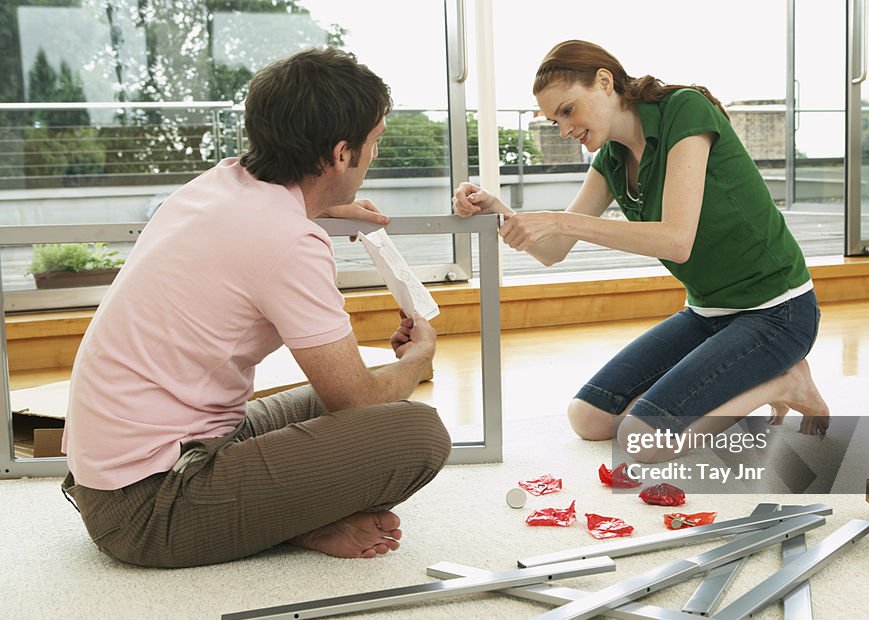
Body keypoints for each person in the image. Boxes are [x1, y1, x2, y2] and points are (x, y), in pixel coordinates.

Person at [60, 47, 451, 568]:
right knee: (417, 432)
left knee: (340, 398)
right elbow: (355, 401)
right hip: (149, 510)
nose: (373, 157)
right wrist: (417, 362)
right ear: (339, 154)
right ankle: (289, 521)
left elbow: (265, 225)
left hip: (128, 473)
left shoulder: (220, 183)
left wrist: (326, 203)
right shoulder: (288, 240)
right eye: (373, 143)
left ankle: (285, 515)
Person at [453, 40, 828, 460]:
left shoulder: (684, 110)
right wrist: (498, 209)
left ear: (604, 81)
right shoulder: (611, 160)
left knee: (640, 440)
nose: (563, 129)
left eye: (567, 110)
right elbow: (553, 250)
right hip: (707, 314)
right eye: (553, 119)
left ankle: (785, 383)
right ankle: (743, 380)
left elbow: (676, 241)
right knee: (588, 418)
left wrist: (559, 219)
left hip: (777, 312)